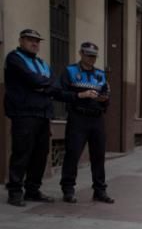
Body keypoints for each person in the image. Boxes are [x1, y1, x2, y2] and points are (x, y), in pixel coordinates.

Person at [4, 29, 89, 207]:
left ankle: (33, 190)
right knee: (22, 153)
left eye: (37, 41)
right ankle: (15, 192)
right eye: (30, 40)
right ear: (21, 41)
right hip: (24, 113)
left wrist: (48, 87)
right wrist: (44, 85)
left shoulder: (42, 63)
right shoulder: (14, 58)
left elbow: (55, 87)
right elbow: (32, 80)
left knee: (40, 155)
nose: (34, 44)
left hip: (43, 115)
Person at [59, 41, 114, 204]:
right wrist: (79, 96)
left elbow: (106, 96)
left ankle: (100, 190)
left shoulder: (100, 74)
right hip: (78, 118)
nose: (91, 59)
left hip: (96, 118)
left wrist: (104, 101)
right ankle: (68, 190)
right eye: (88, 55)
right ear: (81, 54)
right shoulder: (70, 71)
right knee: (73, 154)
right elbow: (58, 93)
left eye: (94, 56)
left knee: (98, 155)